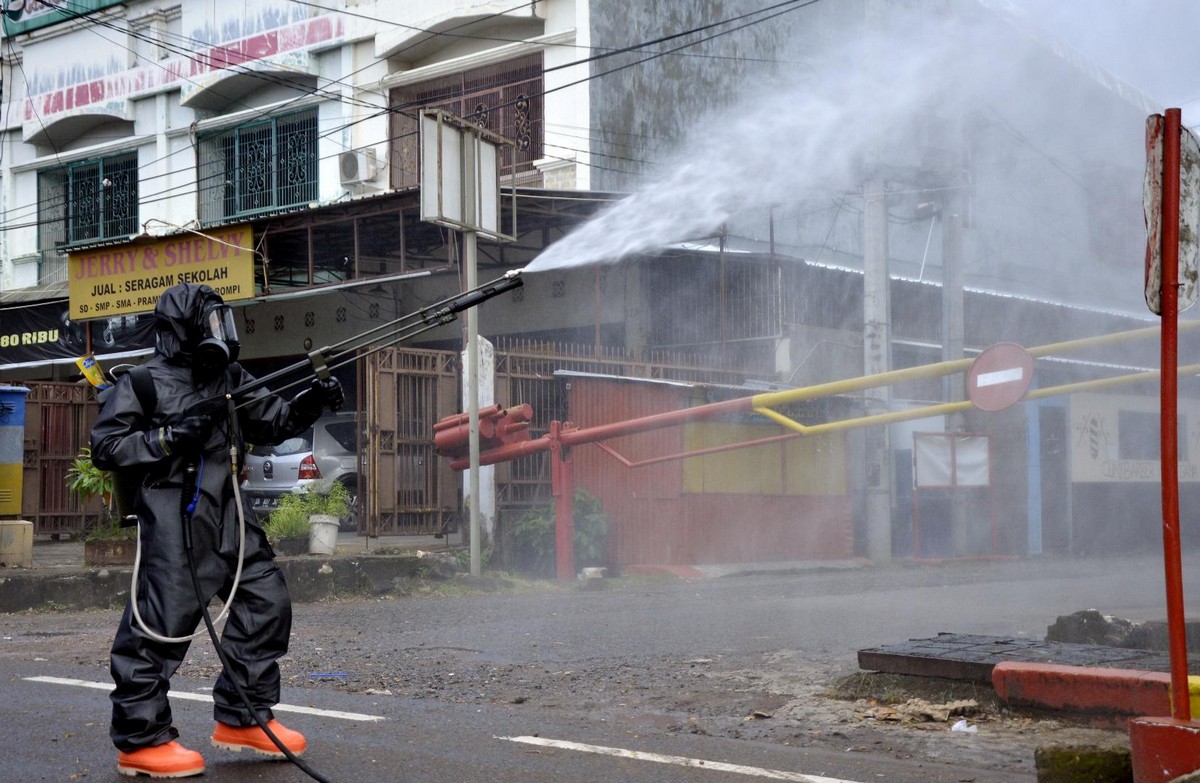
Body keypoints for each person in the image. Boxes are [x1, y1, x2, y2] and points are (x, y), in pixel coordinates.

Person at [91, 283, 344, 778]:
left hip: (229, 511)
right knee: (160, 626)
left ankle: (243, 716)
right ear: (181, 329)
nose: (219, 334)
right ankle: (141, 740)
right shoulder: (141, 383)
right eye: (209, 324)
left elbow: (272, 421)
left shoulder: (229, 376)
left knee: (266, 602)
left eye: (221, 323)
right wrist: (167, 436)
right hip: (173, 517)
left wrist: (310, 401)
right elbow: (107, 447)